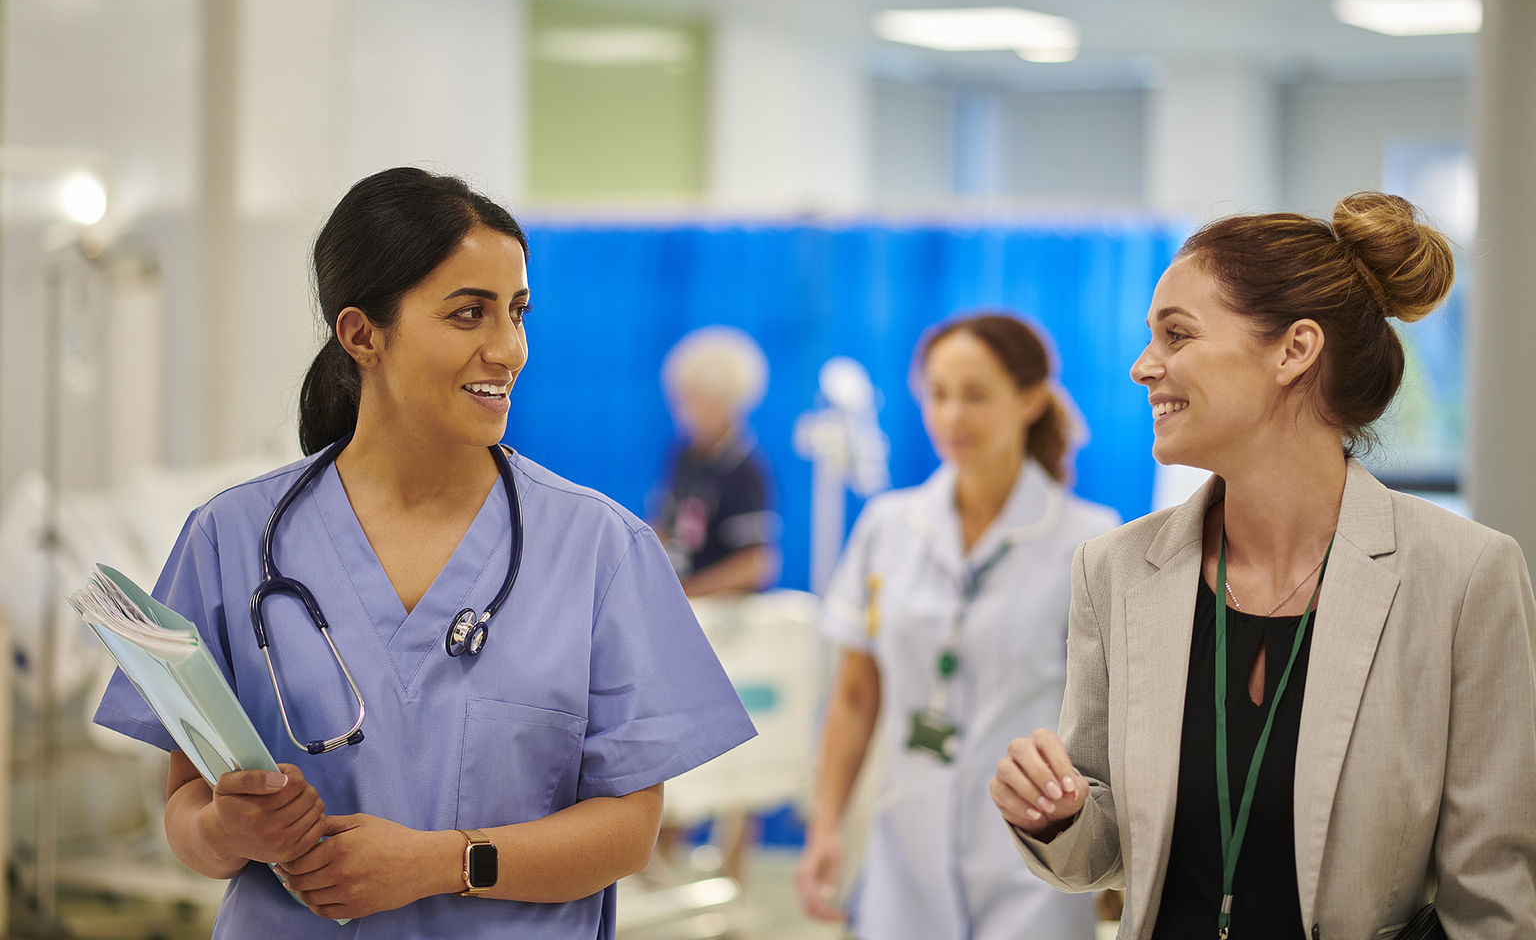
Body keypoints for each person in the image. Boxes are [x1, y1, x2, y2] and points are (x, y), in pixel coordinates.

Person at [91, 168, 756, 938]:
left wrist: (442, 863)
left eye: (517, 312)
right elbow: (186, 811)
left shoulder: (599, 549)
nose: (508, 348)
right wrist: (230, 834)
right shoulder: (231, 540)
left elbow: (629, 832)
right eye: (468, 314)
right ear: (361, 335)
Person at [991, 192, 1536, 938]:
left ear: (1294, 350)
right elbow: (1108, 852)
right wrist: (1059, 814)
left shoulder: (1465, 578)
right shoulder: (1115, 571)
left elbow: (1494, 907)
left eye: (1176, 335)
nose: (1142, 367)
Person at [795, 314, 1120, 940]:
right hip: (905, 847)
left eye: (975, 394)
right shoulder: (888, 527)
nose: (952, 415)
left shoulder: (1088, 541)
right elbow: (857, 698)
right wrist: (826, 826)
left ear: (1029, 399)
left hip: (1033, 856)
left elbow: (1111, 721)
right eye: (938, 394)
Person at [652, 326, 780, 597]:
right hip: (681, 600)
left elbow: (755, 563)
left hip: (718, 612)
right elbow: (665, 526)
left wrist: (689, 593)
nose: (688, 413)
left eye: (701, 402)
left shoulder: (745, 470)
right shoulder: (683, 456)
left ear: (729, 404)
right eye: (684, 400)